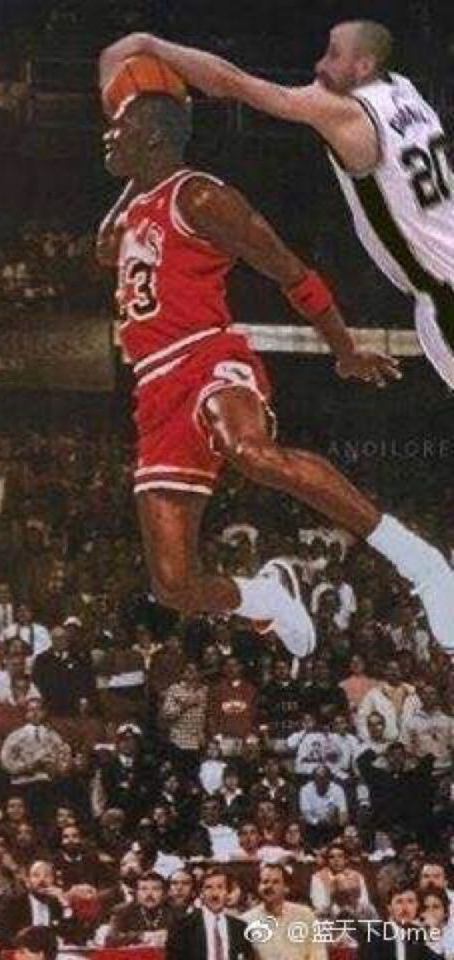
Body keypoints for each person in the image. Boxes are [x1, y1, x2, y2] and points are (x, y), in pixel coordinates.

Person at [95, 69, 454, 653]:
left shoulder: (202, 197)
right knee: (173, 585)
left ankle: (421, 564)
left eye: (121, 126)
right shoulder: (133, 209)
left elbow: (291, 270)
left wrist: (343, 349)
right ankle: (262, 598)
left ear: (155, 136)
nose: (108, 134)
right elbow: (103, 249)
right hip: (153, 386)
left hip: (207, 354)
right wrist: (139, 166)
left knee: (250, 452)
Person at [102, 22, 454, 395]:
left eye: (334, 55)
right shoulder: (406, 91)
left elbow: (231, 82)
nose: (320, 65)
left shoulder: (345, 112)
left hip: (443, 291)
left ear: (364, 66)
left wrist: (152, 45)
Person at [166, 867, 255, 960]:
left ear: (227, 893)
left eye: (220, 887)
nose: (214, 894)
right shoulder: (182, 927)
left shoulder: (240, 928)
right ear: (201, 893)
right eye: (208, 887)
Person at [242, 863, 326, 960]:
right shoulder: (246, 921)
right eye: (265, 882)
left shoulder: (305, 915)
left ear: (286, 888)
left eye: (275, 882)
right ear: (258, 887)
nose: (269, 886)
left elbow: (319, 953)